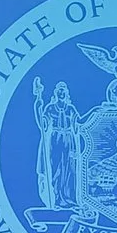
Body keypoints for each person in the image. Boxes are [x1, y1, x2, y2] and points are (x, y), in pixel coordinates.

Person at [32, 78, 83, 210]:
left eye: (63, 91)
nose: (61, 93)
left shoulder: (70, 109)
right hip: (55, 140)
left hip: (69, 139)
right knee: (56, 170)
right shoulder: (50, 108)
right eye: (59, 91)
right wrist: (38, 103)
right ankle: (56, 200)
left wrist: (94, 114)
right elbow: (42, 125)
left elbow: (79, 123)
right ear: (56, 93)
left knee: (71, 170)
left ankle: (71, 200)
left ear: (66, 93)